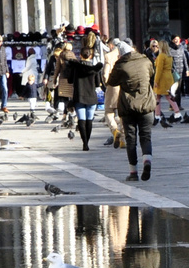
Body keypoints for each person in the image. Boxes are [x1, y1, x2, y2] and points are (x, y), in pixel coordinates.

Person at [109, 40, 156, 181]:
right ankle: (147, 160)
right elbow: (151, 73)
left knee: (131, 140)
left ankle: (133, 173)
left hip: (128, 107)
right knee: (146, 137)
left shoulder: (121, 65)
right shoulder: (145, 61)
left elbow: (111, 82)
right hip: (146, 105)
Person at [65, 36, 102, 148]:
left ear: (80, 55)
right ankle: (87, 141)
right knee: (89, 120)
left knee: (81, 119)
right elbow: (97, 84)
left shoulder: (75, 68)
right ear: (90, 56)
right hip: (91, 97)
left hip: (79, 96)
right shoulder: (94, 69)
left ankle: (84, 143)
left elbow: (70, 80)